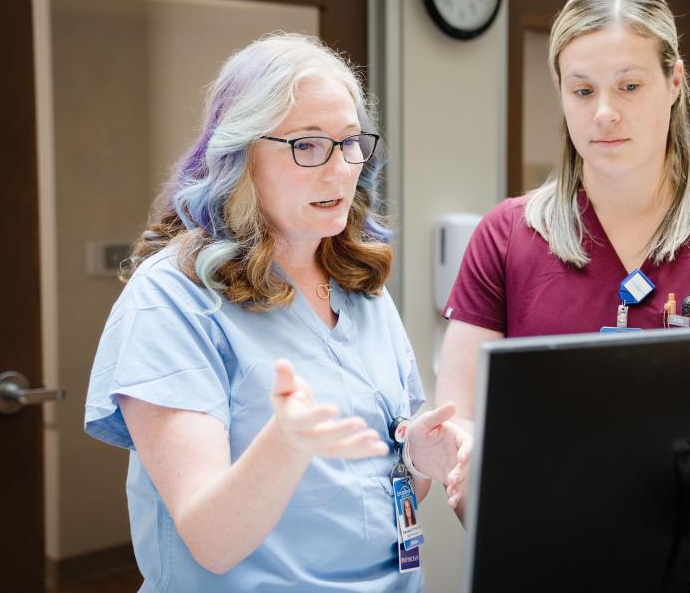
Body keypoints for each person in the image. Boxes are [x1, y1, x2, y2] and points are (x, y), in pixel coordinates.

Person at [84, 33, 467, 592]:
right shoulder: (175, 297)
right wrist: (286, 444)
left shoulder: (359, 287)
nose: (340, 170)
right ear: (239, 157)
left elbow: (382, 489)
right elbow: (211, 541)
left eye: (350, 142)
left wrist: (417, 457)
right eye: (307, 145)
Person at [436, 0, 690, 515]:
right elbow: (460, 414)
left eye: (629, 86)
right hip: (545, 538)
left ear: (676, 81)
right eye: (583, 90)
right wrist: (468, 452)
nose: (604, 113)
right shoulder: (506, 236)